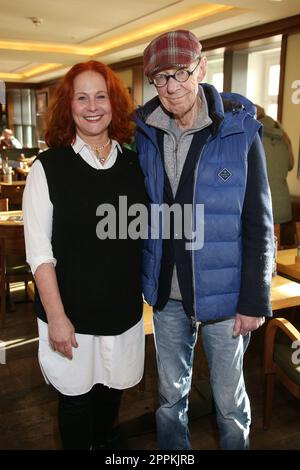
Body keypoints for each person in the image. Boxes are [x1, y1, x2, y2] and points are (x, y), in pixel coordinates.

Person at [135, 30, 274, 450]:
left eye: (180, 73)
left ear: (202, 68)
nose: (172, 87)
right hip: (167, 296)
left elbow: (258, 223)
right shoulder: (146, 133)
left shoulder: (239, 131)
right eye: (160, 78)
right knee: (169, 398)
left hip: (226, 297)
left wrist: (254, 299)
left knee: (229, 403)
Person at [23, 60, 147, 450]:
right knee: (75, 402)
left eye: (101, 96)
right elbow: (39, 253)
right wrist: (57, 318)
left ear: (114, 103)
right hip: (70, 316)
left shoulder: (135, 163)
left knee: (111, 398)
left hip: (122, 312)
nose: (92, 106)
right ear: (68, 106)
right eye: (82, 97)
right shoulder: (48, 168)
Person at [255, 104, 294, 225]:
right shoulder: (283, 137)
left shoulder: (254, 135)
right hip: (284, 209)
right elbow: (290, 165)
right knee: (281, 244)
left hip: (263, 208)